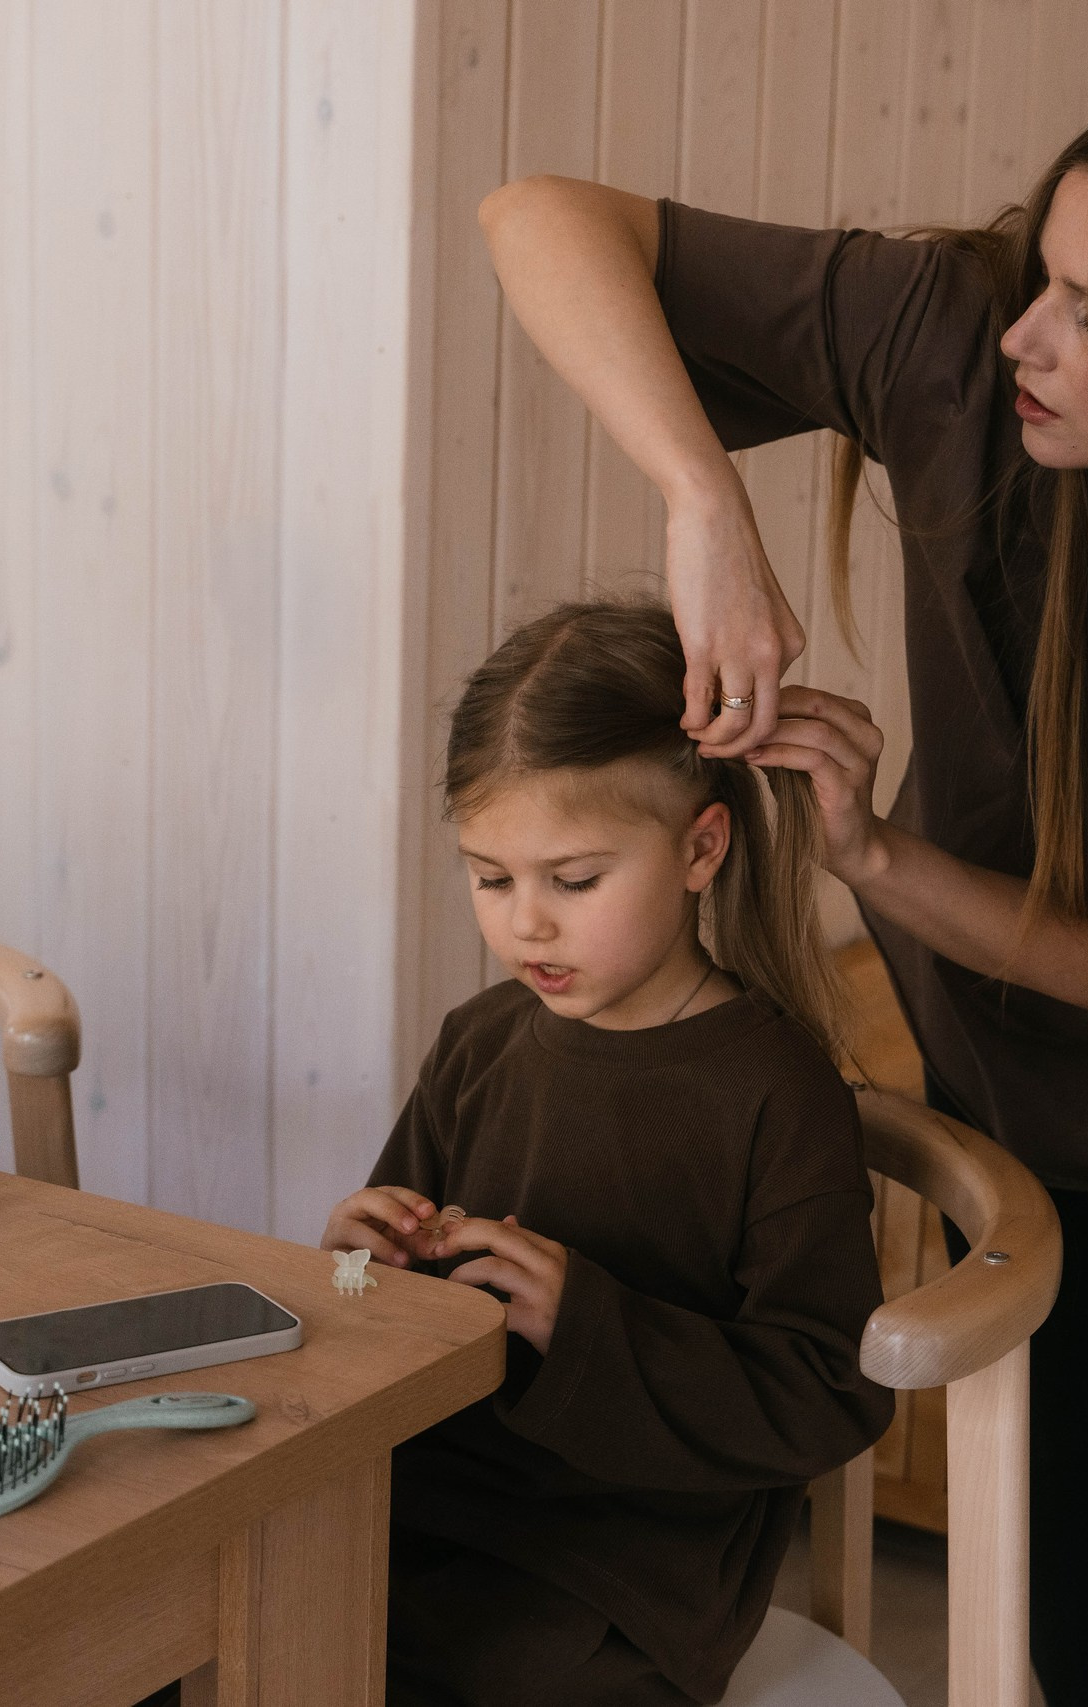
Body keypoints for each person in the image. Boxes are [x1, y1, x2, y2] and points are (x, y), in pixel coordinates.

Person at [476, 78, 1088, 1707]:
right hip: (1015, 1046)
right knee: (1076, 1503)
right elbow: (539, 218)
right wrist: (702, 503)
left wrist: (872, 857)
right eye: (1047, 271)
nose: (1028, 334)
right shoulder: (956, 335)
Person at [324, 601, 897, 1707]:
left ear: (700, 849)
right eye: (491, 879)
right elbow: (384, 1310)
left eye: (572, 881)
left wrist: (581, 1321)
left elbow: (829, 1393)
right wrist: (353, 1261)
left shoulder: (775, 1090)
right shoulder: (478, 1043)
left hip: (632, 1569)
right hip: (432, 1509)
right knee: (213, 1614)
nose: (525, 924)